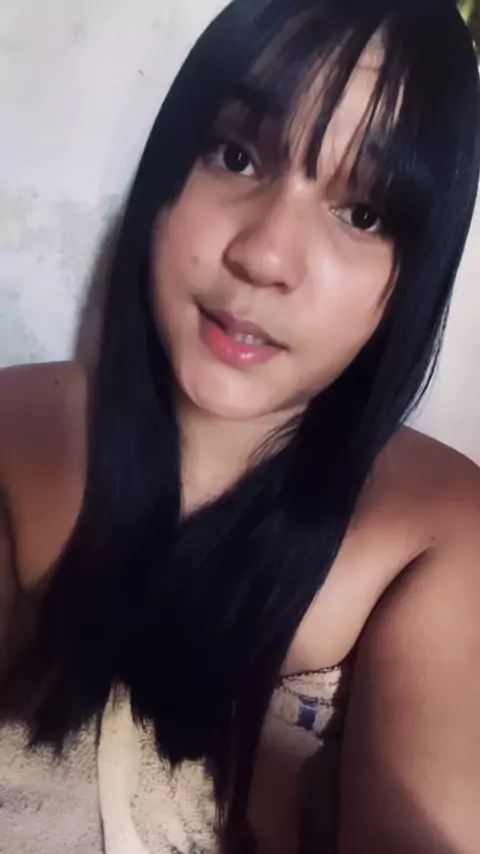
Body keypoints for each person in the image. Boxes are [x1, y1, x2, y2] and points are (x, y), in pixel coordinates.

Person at [1, 0, 480, 851]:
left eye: (363, 213)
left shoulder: (442, 526)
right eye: (235, 155)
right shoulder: (15, 433)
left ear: (415, 275)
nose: (264, 256)